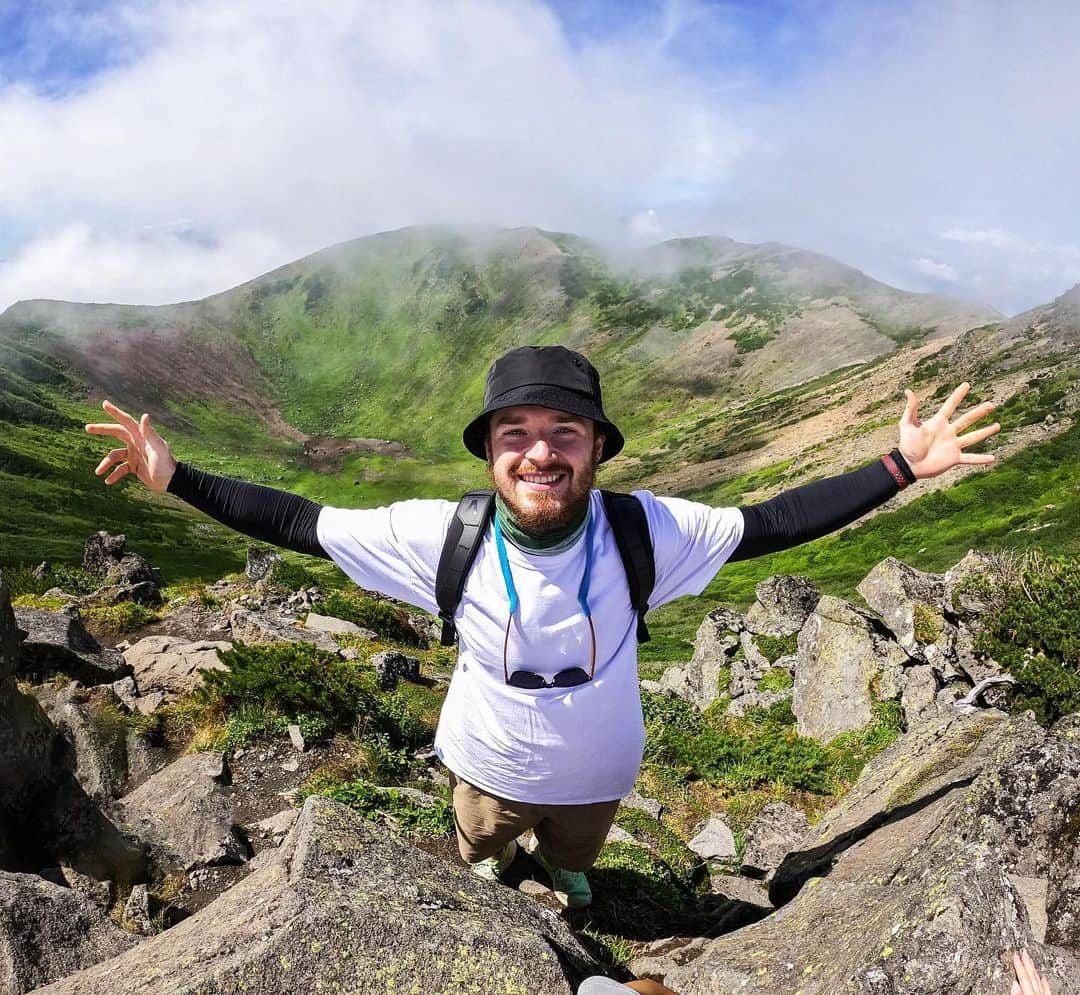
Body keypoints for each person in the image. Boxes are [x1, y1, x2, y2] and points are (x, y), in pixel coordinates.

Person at [86, 345, 999, 909]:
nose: (539, 450)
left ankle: (565, 875)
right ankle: (490, 866)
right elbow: (300, 523)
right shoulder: (440, 536)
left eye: (566, 429)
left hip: (601, 766)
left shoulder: (649, 531)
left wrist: (898, 467)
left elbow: (775, 523)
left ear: (598, 447)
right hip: (487, 755)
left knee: (578, 851)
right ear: (489, 452)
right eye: (514, 430)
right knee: (479, 838)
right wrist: (179, 479)